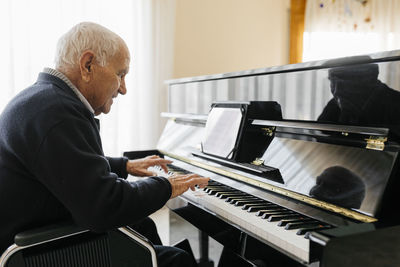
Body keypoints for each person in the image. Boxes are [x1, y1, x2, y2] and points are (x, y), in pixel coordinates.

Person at [0, 22, 209, 267]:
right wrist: (166, 185)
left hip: (36, 229)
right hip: (37, 253)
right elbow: (104, 207)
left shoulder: (43, 99)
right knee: (177, 260)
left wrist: (126, 166)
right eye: (120, 74)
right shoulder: (58, 113)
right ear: (88, 65)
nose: (123, 89)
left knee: (143, 226)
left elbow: (68, 164)